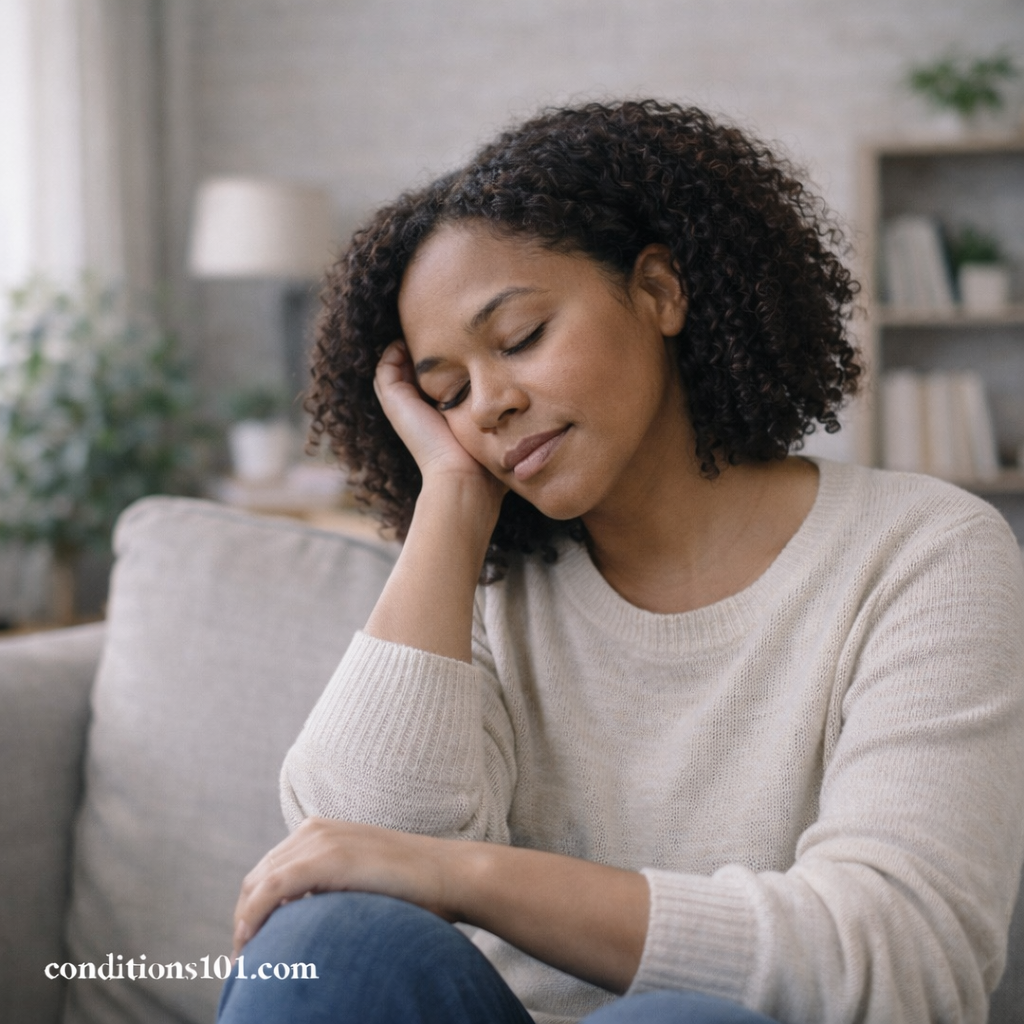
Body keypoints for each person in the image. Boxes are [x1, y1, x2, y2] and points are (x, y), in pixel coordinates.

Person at [217, 100, 1024, 1024]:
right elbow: (352, 861)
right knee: (329, 945)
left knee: (679, 1021)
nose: (488, 404)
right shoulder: (484, 595)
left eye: (519, 339)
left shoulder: (922, 553)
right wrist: (449, 499)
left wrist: (469, 875)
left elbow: (898, 958)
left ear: (660, 291)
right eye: (447, 392)